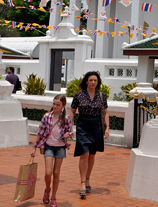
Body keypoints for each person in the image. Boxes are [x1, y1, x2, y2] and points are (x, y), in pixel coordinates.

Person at [69, 71, 109, 199]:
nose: (93, 82)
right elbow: (72, 111)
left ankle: (87, 179)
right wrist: (69, 127)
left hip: (96, 126)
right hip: (83, 126)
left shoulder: (101, 96)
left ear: (98, 82)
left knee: (92, 154)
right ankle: (82, 184)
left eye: (95, 80)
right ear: (86, 81)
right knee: (84, 154)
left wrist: (107, 128)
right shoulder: (79, 95)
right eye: (91, 80)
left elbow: (106, 112)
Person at [32, 95, 73, 207]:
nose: (55, 106)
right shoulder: (47, 116)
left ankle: (54, 196)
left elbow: (70, 133)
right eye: (54, 104)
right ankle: (47, 189)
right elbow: (40, 133)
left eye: (58, 105)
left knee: (56, 173)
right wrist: (35, 147)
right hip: (49, 146)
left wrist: (67, 135)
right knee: (48, 173)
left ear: (63, 106)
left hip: (60, 147)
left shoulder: (66, 119)